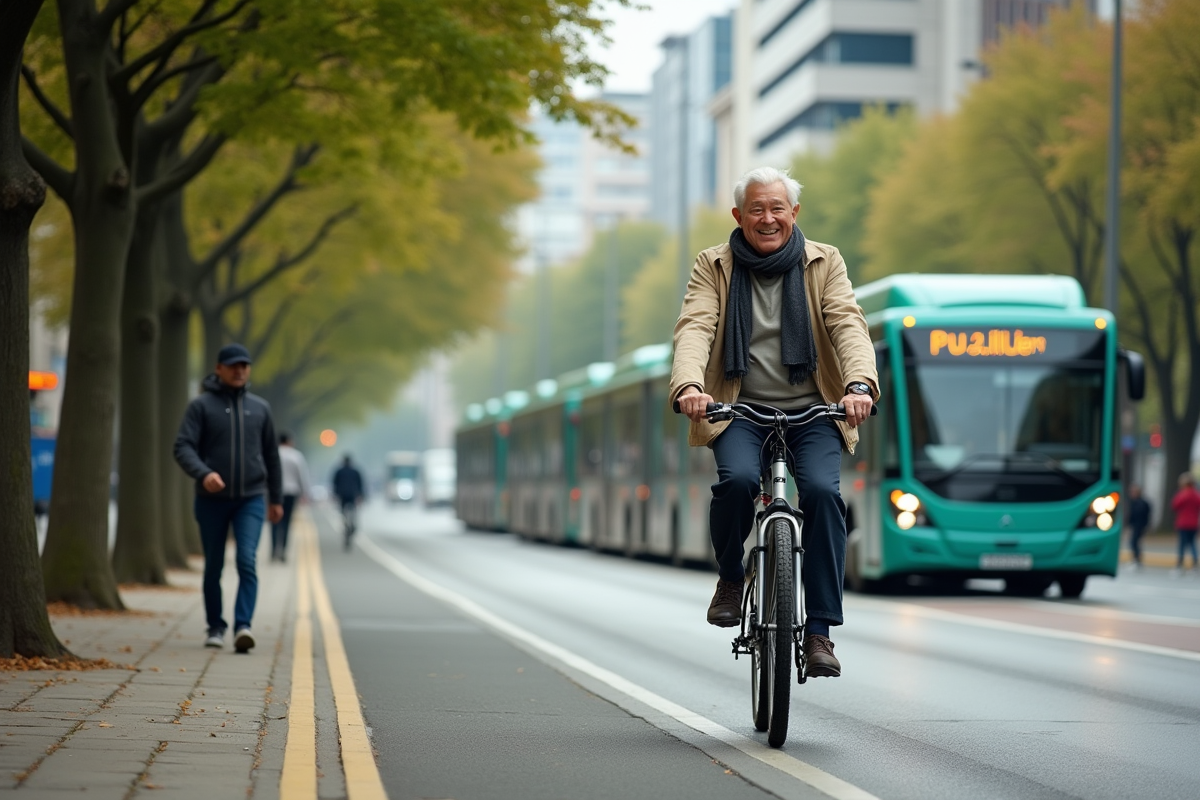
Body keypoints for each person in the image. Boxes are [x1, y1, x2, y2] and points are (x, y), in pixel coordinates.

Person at [670, 166, 877, 679]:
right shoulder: (713, 266)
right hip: (738, 409)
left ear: (794, 214)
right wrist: (690, 387)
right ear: (739, 216)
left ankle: (820, 633)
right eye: (757, 209)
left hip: (813, 411)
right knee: (737, 481)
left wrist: (858, 386)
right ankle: (729, 579)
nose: (768, 218)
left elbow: (846, 322)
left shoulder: (824, 262)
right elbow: (696, 325)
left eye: (777, 208)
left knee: (825, 496)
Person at [174, 344, 283, 653]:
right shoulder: (201, 406)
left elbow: (272, 456)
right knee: (214, 565)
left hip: (250, 498)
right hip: (211, 500)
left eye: (244, 366)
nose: (240, 371)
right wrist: (203, 473)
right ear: (219, 368)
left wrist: (275, 499)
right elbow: (182, 446)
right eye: (233, 365)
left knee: (247, 560)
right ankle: (215, 627)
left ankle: (243, 626)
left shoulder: (260, 408)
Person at [272, 432, 311, 563]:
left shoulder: (273, 453)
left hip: (275, 491)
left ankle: (273, 550)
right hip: (290, 492)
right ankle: (283, 549)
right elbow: (302, 475)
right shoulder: (296, 456)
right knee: (286, 522)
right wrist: (305, 493)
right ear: (289, 441)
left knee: (274, 521)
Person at [332, 455, 366, 550]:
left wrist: (335, 495)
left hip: (342, 495)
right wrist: (361, 496)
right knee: (353, 513)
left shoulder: (339, 471)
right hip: (352, 495)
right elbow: (360, 484)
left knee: (343, 513)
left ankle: (346, 524)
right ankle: (352, 526)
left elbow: (334, 484)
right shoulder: (355, 471)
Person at [1170, 472, 1200, 574]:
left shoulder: (1182, 494)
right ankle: (1195, 564)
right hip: (1194, 523)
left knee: (1182, 544)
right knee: (1192, 544)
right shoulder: (1196, 494)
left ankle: (1179, 565)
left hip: (1183, 523)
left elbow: (1175, 505)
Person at [1126, 484, 1151, 569]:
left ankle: (1137, 560)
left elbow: (1140, 515)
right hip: (1137, 525)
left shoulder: (1140, 503)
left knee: (1134, 543)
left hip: (1139, 526)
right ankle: (1136, 559)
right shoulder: (1136, 502)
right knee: (1134, 543)